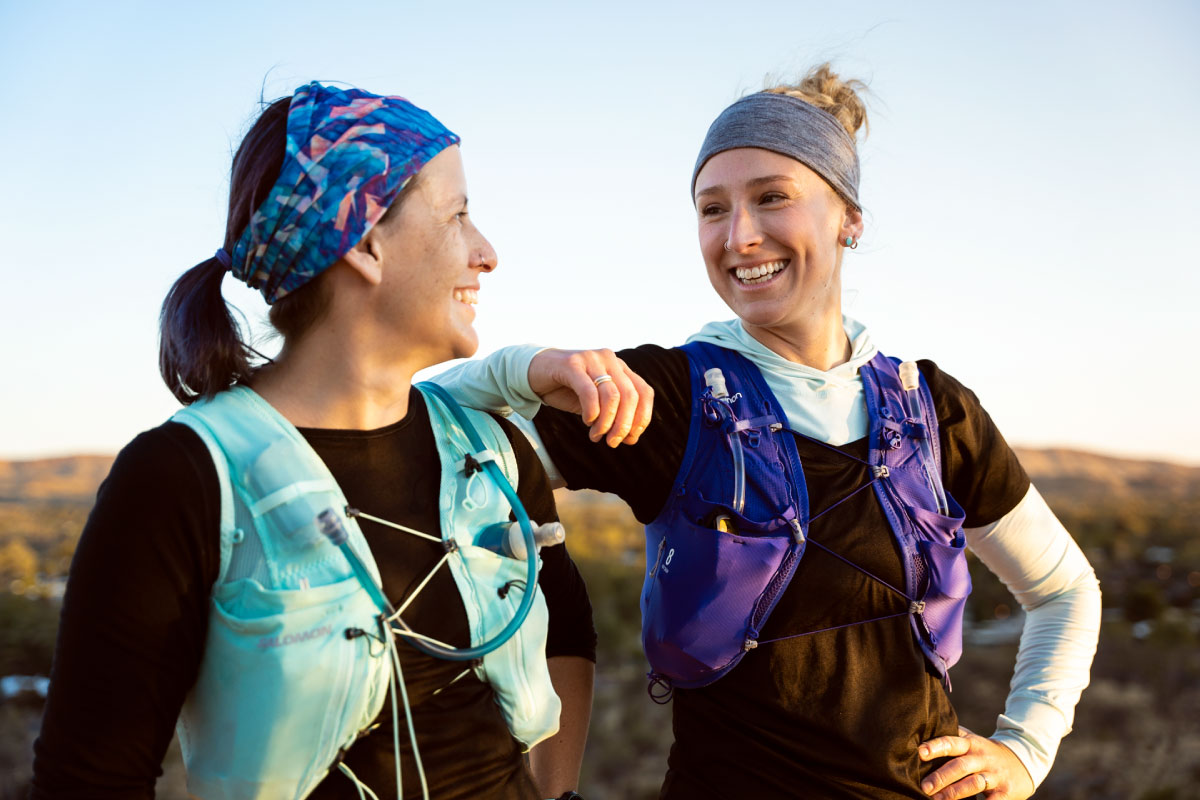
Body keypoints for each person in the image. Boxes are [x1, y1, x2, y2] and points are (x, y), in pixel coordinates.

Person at [435, 64, 1101, 800]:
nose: (740, 236)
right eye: (712, 209)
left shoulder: (932, 412)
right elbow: (416, 428)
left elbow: (1066, 589)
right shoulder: (667, 399)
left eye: (771, 199)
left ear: (849, 215)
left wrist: (1025, 748)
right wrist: (521, 367)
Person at [31, 82, 595, 800]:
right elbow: (90, 779)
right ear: (365, 244)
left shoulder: (489, 451)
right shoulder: (182, 479)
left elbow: (567, 624)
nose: (487, 252)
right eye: (458, 216)